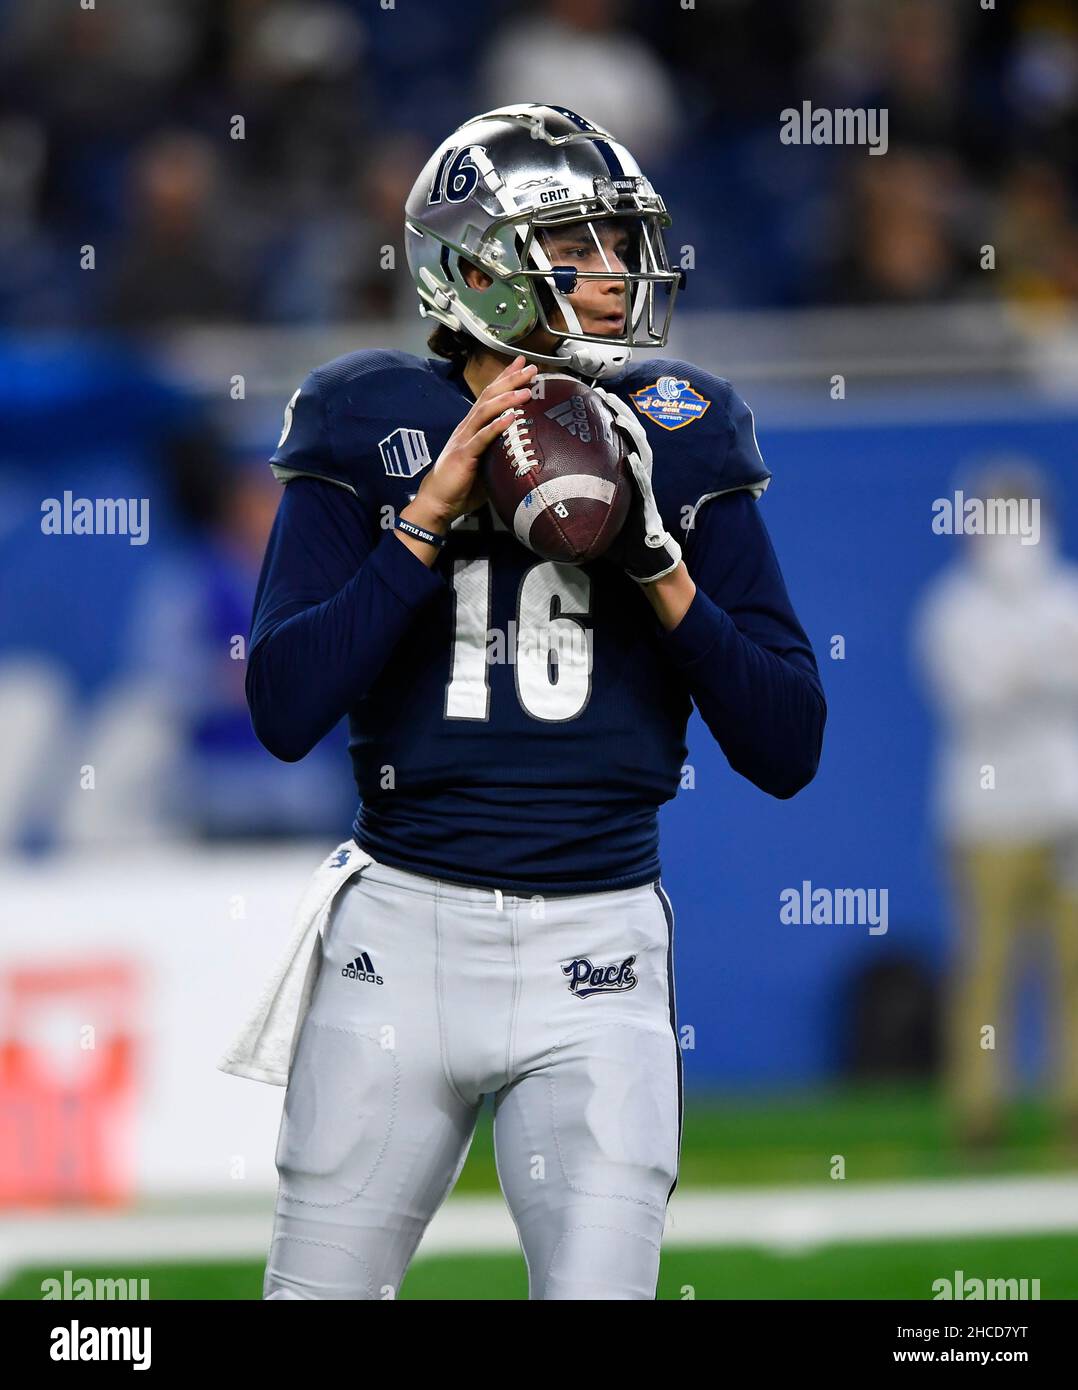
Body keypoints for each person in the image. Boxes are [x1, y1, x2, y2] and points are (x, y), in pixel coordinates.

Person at [245, 103, 826, 1300]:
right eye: (577, 247)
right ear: (473, 266)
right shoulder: (370, 419)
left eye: (621, 243)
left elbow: (785, 742)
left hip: (598, 945)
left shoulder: (680, 427)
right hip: (397, 938)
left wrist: (658, 564)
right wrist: (421, 523)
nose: (614, 276)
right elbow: (285, 706)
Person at [915, 464, 1078, 1152]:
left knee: (1071, 968)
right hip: (983, 820)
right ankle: (980, 1116)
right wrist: (1038, 671)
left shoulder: (1066, 597)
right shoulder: (952, 607)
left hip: (1065, 807)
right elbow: (979, 697)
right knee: (986, 970)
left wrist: (1029, 670)